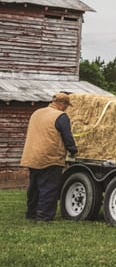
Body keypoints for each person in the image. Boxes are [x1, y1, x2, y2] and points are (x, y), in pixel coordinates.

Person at [20, 92, 78, 222]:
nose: (66, 108)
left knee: (34, 187)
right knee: (49, 187)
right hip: (49, 157)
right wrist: (73, 150)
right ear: (62, 104)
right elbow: (67, 137)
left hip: (32, 156)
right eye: (66, 105)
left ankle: (31, 213)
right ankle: (44, 216)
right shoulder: (61, 116)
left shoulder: (37, 112)